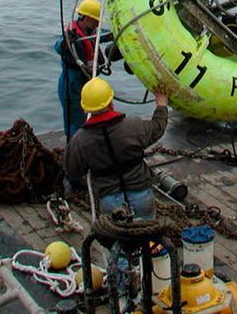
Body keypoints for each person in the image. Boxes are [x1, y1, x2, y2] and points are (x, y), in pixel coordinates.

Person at [63, 77, 168, 219]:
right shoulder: (133, 126)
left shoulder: (79, 141)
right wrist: (161, 105)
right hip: (141, 195)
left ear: (85, 108)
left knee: (117, 236)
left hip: (110, 201)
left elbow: (72, 171)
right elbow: (157, 129)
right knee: (147, 234)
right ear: (111, 102)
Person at [55, 0, 106, 138]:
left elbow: (102, 36)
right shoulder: (72, 33)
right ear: (86, 17)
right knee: (75, 121)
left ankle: (86, 144)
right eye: (95, 19)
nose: (98, 23)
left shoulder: (90, 32)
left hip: (87, 81)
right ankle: (74, 148)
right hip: (71, 83)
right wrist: (66, 41)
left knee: (89, 118)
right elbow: (58, 47)